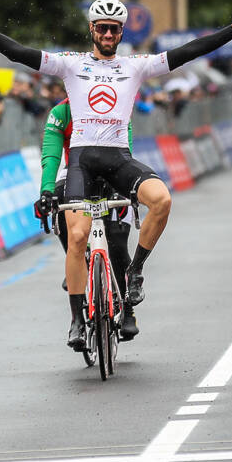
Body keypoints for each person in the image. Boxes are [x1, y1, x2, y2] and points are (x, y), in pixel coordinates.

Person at [0, 0, 232, 350]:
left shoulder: (136, 66)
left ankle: (134, 272)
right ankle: (75, 318)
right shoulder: (70, 64)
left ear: (121, 33)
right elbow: (19, 53)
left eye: (114, 30)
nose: (108, 35)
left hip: (118, 158)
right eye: (102, 28)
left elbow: (188, 52)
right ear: (92, 29)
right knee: (78, 237)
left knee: (161, 201)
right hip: (82, 162)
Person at [35, 98, 139, 341]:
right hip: (76, 170)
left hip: (113, 168)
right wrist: (46, 191)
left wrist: (122, 190)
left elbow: (127, 151)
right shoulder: (62, 112)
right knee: (59, 205)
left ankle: (128, 311)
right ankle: (77, 320)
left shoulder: (117, 106)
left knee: (117, 239)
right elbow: (51, 157)